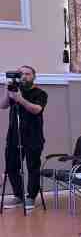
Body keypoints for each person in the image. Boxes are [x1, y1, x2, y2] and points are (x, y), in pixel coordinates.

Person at [1, 65, 48, 210]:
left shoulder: (40, 93)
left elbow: (36, 110)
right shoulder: (14, 90)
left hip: (33, 137)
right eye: (21, 74)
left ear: (34, 76)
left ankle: (31, 197)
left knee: (32, 167)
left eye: (28, 74)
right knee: (11, 166)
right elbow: (3, 105)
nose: (24, 76)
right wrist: (6, 91)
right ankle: (18, 195)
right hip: (14, 136)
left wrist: (19, 99)